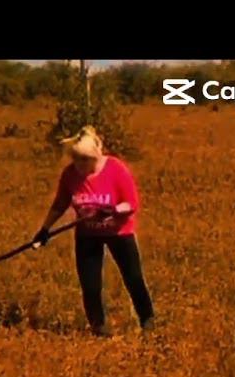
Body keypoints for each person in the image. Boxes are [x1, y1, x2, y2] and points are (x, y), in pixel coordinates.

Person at [32, 126, 155, 337]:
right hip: (87, 235)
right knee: (90, 286)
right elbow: (60, 204)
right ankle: (99, 330)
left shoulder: (115, 168)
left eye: (85, 160)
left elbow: (131, 203)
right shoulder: (70, 174)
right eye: (77, 159)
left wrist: (113, 210)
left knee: (133, 279)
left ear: (95, 156)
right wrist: (44, 229)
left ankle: (148, 323)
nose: (80, 165)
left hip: (119, 232)